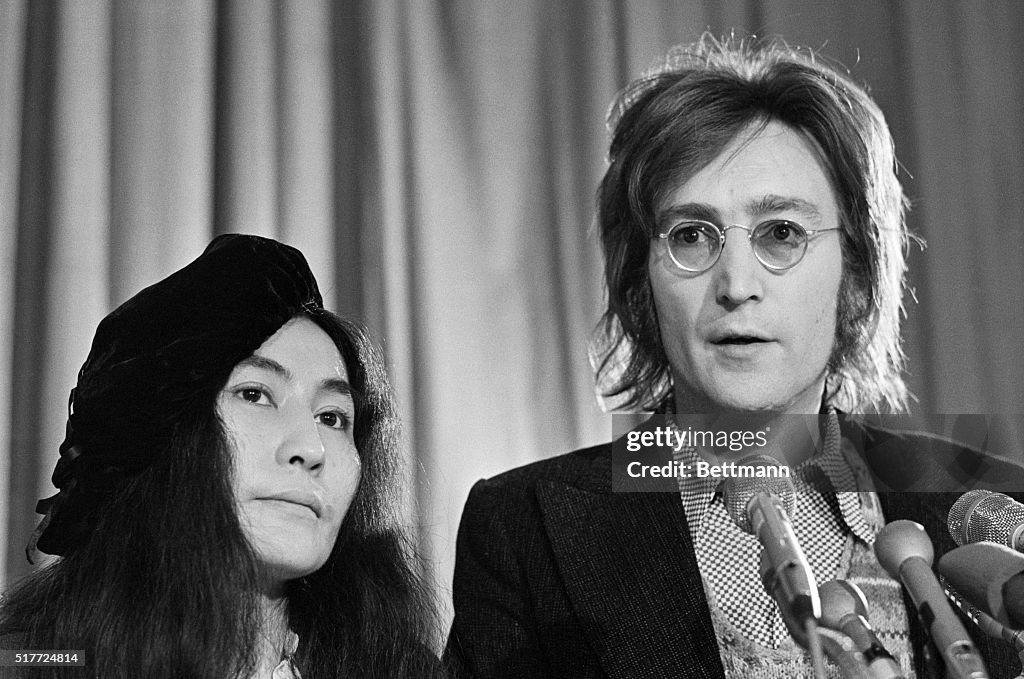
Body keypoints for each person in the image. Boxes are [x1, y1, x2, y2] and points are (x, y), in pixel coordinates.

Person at [446, 35, 1024, 678]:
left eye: (783, 233)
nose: (736, 284)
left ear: (856, 274)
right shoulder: (525, 524)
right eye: (691, 236)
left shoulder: (990, 498)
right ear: (642, 281)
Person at [0, 235, 445, 678]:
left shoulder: (398, 669)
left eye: (332, 418)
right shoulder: (33, 661)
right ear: (166, 432)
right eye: (255, 395)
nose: (310, 449)